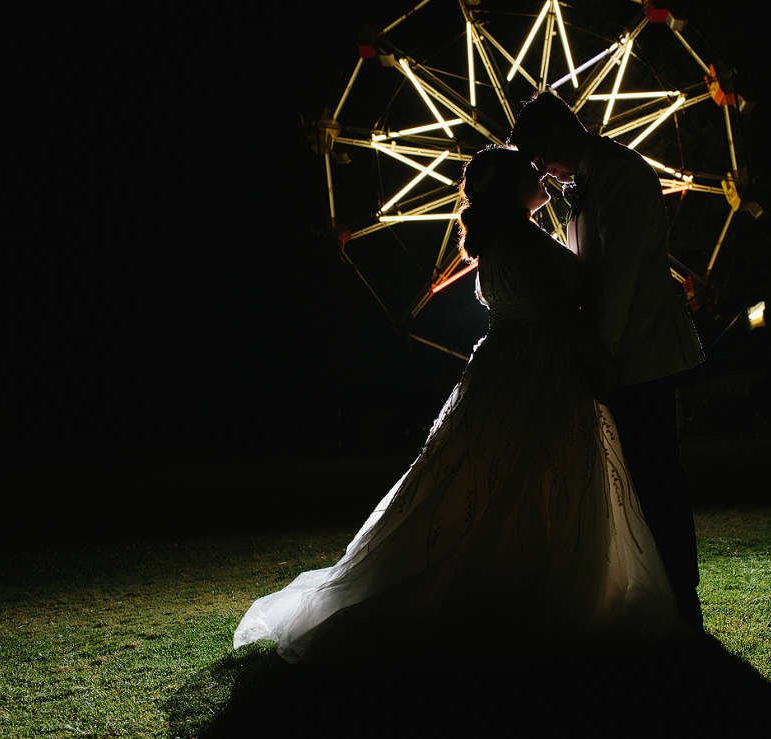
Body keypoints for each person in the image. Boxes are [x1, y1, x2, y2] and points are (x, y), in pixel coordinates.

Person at [233, 146, 686, 665]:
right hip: (537, 371)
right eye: (530, 170)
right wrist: (601, 361)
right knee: (538, 478)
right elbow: (558, 310)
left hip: (508, 368)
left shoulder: (503, 237)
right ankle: (534, 587)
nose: (542, 173)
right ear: (513, 186)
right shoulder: (519, 237)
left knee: (494, 480)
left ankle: (513, 577)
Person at [507, 90, 707, 630]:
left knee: (657, 477)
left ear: (554, 136)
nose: (536, 169)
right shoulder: (587, 185)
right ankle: (662, 594)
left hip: (640, 351)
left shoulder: (621, 174)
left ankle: (681, 598)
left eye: (534, 154)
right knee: (638, 482)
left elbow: (617, 280)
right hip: (619, 352)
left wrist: (602, 358)